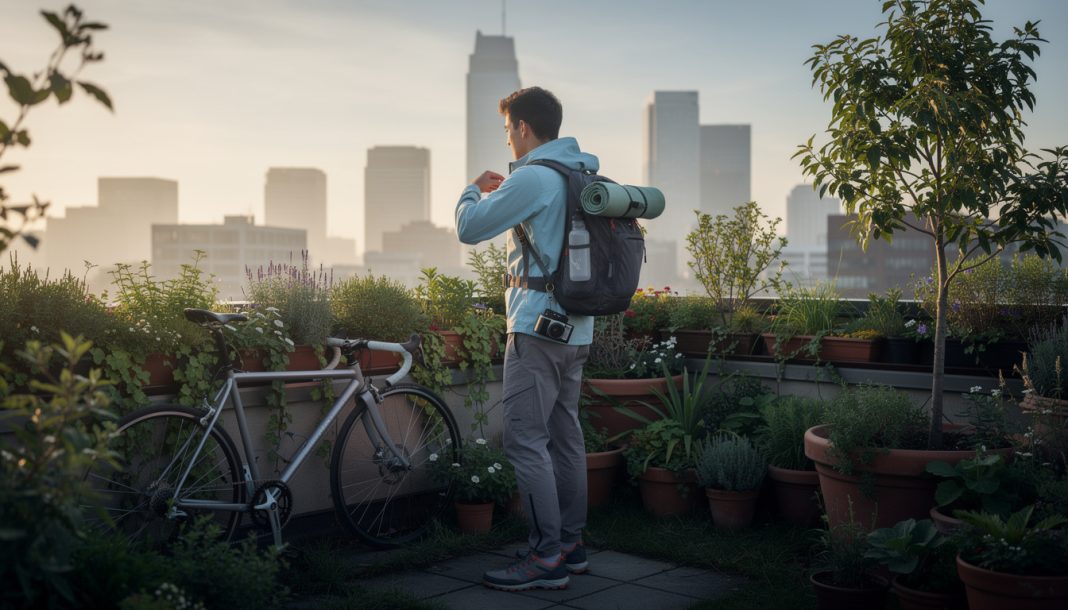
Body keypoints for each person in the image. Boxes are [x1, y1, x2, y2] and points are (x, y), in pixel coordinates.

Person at [455, 86, 595, 592]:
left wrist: (473, 189)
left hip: (536, 331)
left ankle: (544, 557)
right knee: (566, 437)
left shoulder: (535, 177)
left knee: (525, 441)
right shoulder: (581, 173)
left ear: (523, 129)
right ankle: (571, 546)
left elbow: (470, 229)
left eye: (507, 130)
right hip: (578, 330)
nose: (508, 140)